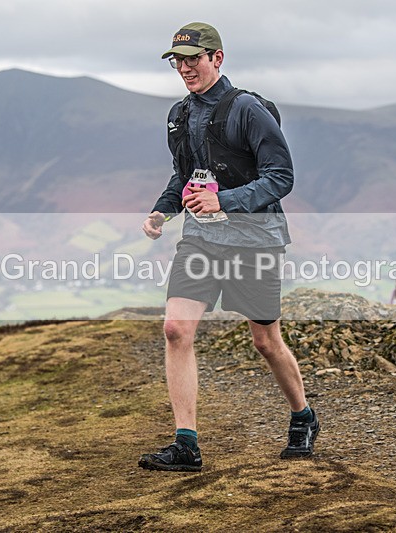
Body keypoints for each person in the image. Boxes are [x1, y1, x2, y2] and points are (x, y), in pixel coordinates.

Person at [138, 22, 319, 472]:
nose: (185, 68)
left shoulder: (249, 110)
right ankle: (186, 445)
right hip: (202, 238)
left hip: (256, 237)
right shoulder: (178, 115)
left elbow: (281, 177)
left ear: (217, 58)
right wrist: (163, 211)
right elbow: (184, 176)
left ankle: (304, 416)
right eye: (178, 60)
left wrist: (225, 200)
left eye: (193, 59)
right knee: (176, 329)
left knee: (265, 340)